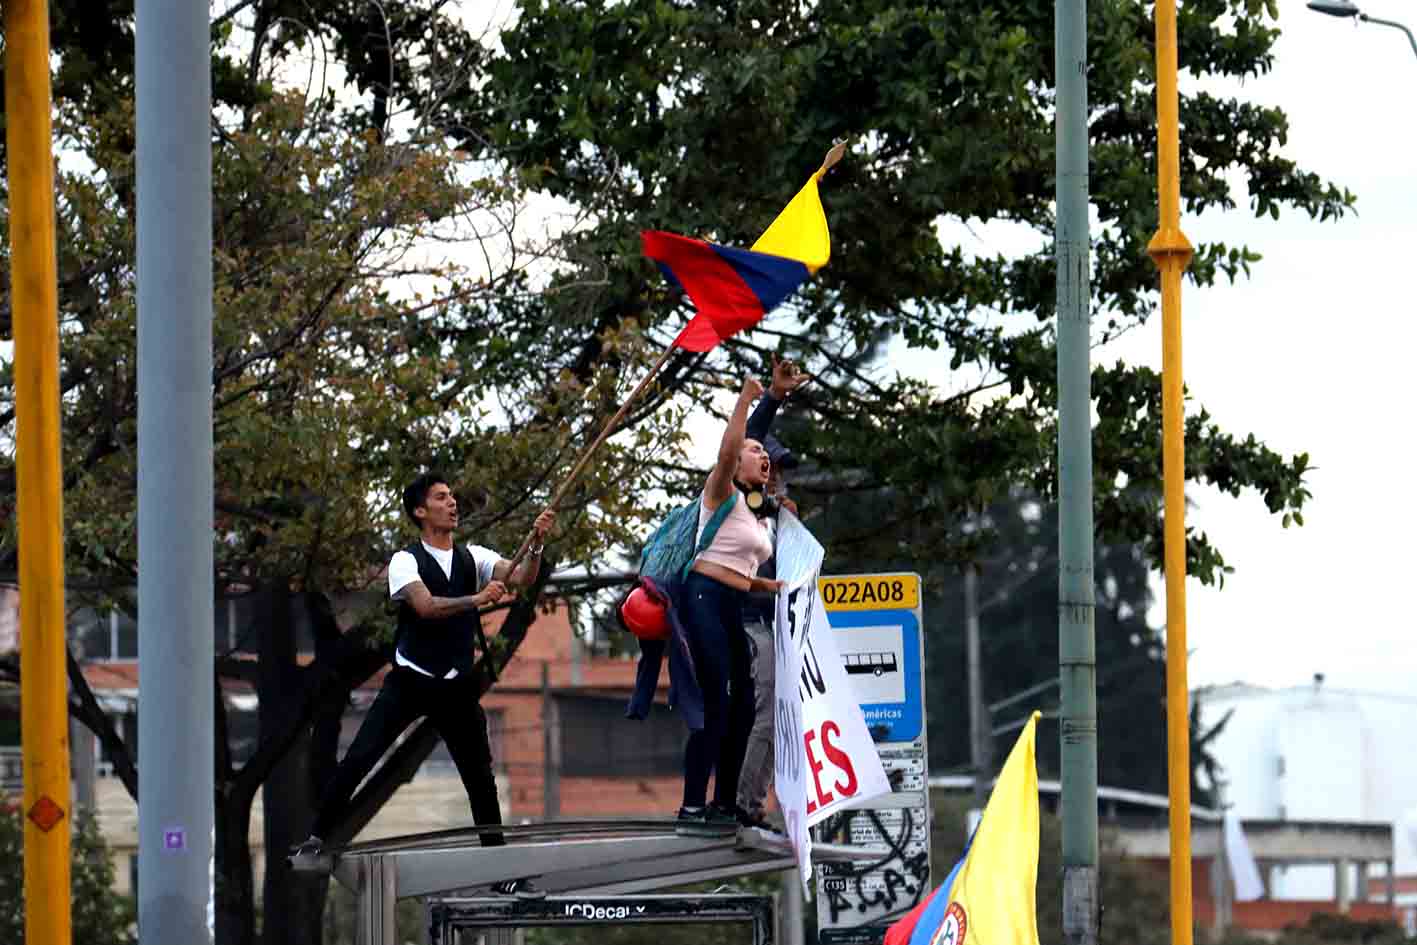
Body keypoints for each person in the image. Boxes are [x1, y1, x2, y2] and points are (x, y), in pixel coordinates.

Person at [293, 472, 554, 898]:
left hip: (455, 685)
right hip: (411, 681)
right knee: (359, 758)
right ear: (420, 511)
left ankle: (501, 869)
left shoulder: (475, 557)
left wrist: (538, 543)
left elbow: (522, 575)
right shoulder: (405, 560)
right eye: (441, 497)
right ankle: (317, 838)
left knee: (480, 780)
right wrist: (475, 599)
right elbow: (426, 607)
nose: (452, 504)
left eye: (452, 497)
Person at [674, 376, 785, 837]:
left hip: (730, 604)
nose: (763, 457)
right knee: (717, 702)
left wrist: (770, 584)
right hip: (702, 599)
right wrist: (746, 399)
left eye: (766, 453)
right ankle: (692, 806)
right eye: (754, 450)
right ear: (735, 460)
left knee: (742, 708)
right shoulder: (720, 492)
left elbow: (738, 569)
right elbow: (728, 450)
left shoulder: (756, 513)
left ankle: (722, 804)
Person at [735, 359, 807, 830]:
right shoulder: (741, 498)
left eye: (778, 468)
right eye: (767, 464)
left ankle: (753, 800)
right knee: (764, 712)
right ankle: (743, 801)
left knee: (782, 713)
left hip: (776, 626)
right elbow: (748, 438)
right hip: (747, 623)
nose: (774, 473)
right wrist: (772, 398)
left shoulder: (775, 511)